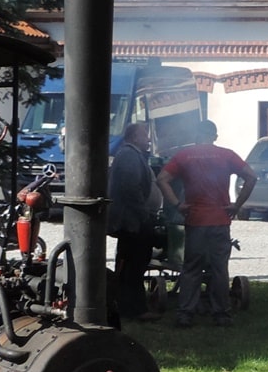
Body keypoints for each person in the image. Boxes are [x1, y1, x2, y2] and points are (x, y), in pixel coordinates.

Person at [157, 120, 256, 328]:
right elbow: (251, 176)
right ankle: (221, 314)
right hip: (220, 221)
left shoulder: (184, 155)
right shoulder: (227, 155)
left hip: (195, 220)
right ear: (214, 136)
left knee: (192, 269)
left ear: (195, 135)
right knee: (220, 269)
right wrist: (237, 205)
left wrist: (177, 204)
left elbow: (162, 179)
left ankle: (185, 314)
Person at [108, 121, 163, 321]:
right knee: (134, 266)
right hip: (132, 222)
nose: (148, 139)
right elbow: (131, 189)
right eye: (144, 135)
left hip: (132, 220)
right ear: (133, 137)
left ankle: (125, 305)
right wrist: (144, 217)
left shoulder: (130, 155)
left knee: (130, 265)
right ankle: (135, 309)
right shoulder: (130, 156)